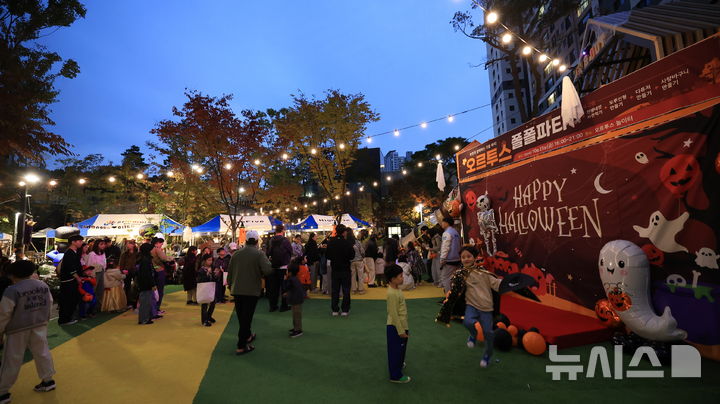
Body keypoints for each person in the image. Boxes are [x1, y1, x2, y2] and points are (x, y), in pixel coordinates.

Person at [0, 260, 56, 402]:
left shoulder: (12, 290)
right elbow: (49, 303)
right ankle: (48, 380)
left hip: (17, 329)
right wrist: (45, 320)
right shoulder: (42, 285)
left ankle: (3, 391)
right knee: (42, 352)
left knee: (12, 358)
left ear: (13, 275)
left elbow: (4, 313)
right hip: (39, 324)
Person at [437, 246, 500, 368]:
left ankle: (487, 355)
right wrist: (449, 302)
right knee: (467, 322)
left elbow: (496, 284)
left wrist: (505, 283)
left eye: (469, 256)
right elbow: (455, 291)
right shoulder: (460, 274)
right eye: (463, 257)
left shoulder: (483, 273)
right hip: (471, 305)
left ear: (475, 258)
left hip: (486, 307)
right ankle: (473, 335)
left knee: (488, 333)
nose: (466, 259)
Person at [227, 230, 273, 355]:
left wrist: (230, 285)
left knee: (242, 316)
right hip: (251, 290)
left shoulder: (236, 254)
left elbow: (230, 271)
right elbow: (268, 270)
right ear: (257, 240)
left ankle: (247, 336)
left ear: (246, 240)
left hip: (237, 289)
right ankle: (241, 345)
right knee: (247, 317)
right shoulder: (259, 254)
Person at [385, 264, 410, 383]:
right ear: (392, 279)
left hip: (402, 325)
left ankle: (399, 364)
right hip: (395, 327)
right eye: (400, 276)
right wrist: (400, 331)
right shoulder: (391, 294)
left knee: (401, 349)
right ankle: (395, 375)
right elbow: (393, 314)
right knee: (395, 351)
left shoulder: (397, 289)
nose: (402, 278)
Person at [325, 224, 355, 316]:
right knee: (346, 290)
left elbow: (327, 255)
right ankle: (345, 310)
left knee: (335, 290)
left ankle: (335, 309)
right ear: (344, 232)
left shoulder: (331, 242)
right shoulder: (347, 243)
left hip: (335, 268)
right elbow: (352, 256)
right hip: (345, 268)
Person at [58, 235, 84, 325]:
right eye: (79, 241)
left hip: (72, 280)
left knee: (72, 300)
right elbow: (71, 268)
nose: (81, 243)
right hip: (68, 281)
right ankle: (64, 320)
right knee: (67, 300)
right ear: (73, 242)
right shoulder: (69, 252)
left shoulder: (74, 252)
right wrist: (77, 278)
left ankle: (68, 318)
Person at [265, 225, 292, 312]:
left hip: (273, 266)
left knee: (273, 287)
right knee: (284, 287)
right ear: (283, 230)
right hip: (283, 266)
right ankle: (284, 306)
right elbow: (290, 251)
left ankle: (273, 306)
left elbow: (268, 252)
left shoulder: (271, 240)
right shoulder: (285, 240)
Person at [136, 243, 157, 325]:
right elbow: (147, 274)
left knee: (145, 301)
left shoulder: (143, 259)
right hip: (145, 284)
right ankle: (144, 319)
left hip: (143, 284)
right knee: (145, 302)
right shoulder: (145, 260)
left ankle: (144, 318)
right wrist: (152, 284)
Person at [283, 258, 305, 338]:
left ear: (290, 272)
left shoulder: (291, 280)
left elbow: (286, 287)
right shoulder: (295, 279)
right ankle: (296, 328)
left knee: (296, 315)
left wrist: (285, 280)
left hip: (295, 300)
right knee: (296, 315)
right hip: (296, 299)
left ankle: (298, 330)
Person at [439, 217, 461, 293]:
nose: (441, 224)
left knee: (445, 278)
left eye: (442, 222)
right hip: (457, 258)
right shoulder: (455, 232)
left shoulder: (447, 233)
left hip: (449, 259)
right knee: (454, 278)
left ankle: (448, 297)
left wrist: (442, 259)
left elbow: (445, 246)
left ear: (446, 223)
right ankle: (455, 295)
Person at [85, 239, 107, 312]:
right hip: (94, 273)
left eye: (104, 244)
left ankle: (98, 307)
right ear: (97, 245)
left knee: (100, 290)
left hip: (101, 272)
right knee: (94, 289)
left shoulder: (103, 253)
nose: (103, 245)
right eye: (101, 244)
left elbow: (104, 263)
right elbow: (89, 265)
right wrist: (91, 275)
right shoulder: (92, 254)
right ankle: (91, 308)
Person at [151, 237, 172, 312]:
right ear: (157, 243)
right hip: (159, 271)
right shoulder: (157, 250)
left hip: (152, 271)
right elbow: (164, 258)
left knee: (153, 290)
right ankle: (157, 308)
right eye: (161, 243)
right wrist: (171, 258)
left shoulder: (150, 250)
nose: (162, 245)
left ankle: (153, 308)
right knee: (160, 290)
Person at [197, 254, 217, 327]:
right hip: (204, 288)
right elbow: (200, 280)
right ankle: (204, 320)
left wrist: (215, 274)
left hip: (211, 288)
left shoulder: (212, 268)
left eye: (211, 260)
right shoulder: (201, 269)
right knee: (204, 304)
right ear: (204, 261)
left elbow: (215, 279)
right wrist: (207, 274)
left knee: (213, 302)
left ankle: (209, 316)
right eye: (209, 260)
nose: (210, 262)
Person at [119, 240, 139, 309]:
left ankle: (135, 301)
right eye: (127, 244)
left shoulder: (137, 253)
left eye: (130, 244)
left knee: (136, 286)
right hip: (127, 272)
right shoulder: (124, 254)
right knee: (127, 287)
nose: (128, 245)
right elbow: (121, 264)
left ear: (133, 245)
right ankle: (128, 302)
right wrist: (122, 270)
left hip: (135, 271)